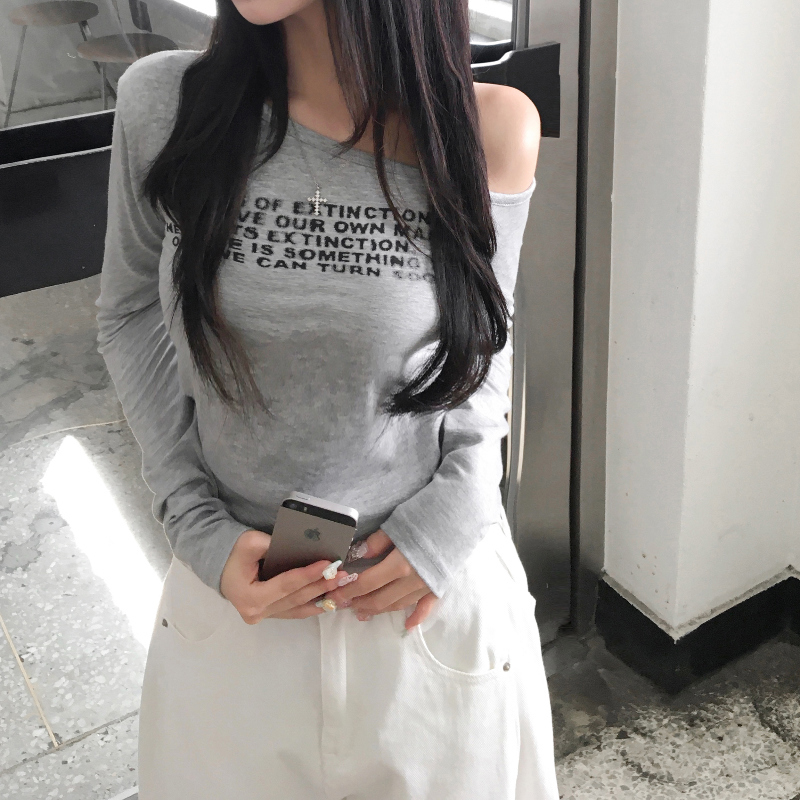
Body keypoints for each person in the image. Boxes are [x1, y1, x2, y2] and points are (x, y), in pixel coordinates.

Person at [95, 0, 559, 797]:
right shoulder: (165, 104)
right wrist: (189, 515)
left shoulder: (490, 127)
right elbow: (129, 309)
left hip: (423, 597)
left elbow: (486, 333)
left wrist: (461, 504)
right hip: (236, 603)